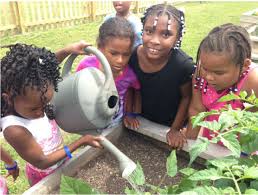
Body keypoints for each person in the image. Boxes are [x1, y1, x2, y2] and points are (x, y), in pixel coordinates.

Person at [1, 43, 103, 186]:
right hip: (44, 176)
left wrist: (68, 50)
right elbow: (42, 161)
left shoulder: (33, 91)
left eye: (46, 103)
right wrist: (80, 142)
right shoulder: (14, 130)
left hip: (62, 160)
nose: (41, 112)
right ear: (8, 99)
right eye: (34, 109)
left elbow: (43, 67)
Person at [128, 4, 195, 149]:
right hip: (142, 121)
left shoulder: (183, 65)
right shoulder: (133, 56)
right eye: (149, 31)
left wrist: (175, 129)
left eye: (165, 34)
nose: (154, 40)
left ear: (177, 37)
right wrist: (129, 113)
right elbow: (130, 87)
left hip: (169, 125)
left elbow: (187, 97)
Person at [186, 23, 258, 142]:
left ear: (245, 65)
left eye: (218, 73)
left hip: (239, 148)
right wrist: (189, 144)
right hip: (211, 140)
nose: (208, 77)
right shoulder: (200, 75)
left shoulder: (253, 82)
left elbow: (250, 126)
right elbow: (196, 110)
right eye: (204, 68)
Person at [76, 17, 141, 129]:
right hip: (89, 124)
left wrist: (131, 114)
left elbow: (135, 91)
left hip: (115, 124)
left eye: (125, 54)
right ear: (100, 48)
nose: (120, 60)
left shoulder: (129, 75)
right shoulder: (86, 66)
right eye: (113, 53)